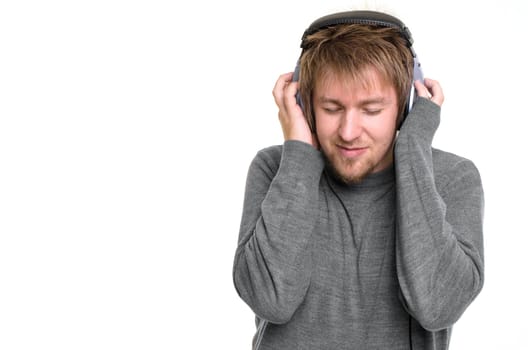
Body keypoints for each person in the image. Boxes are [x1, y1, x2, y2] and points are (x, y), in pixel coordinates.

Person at [232, 10, 484, 350]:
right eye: (332, 108)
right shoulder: (276, 169)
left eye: (372, 110)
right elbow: (270, 299)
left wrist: (412, 146)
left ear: (405, 107)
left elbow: (437, 306)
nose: (349, 132)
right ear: (304, 105)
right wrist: (298, 153)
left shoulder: (452, 178)